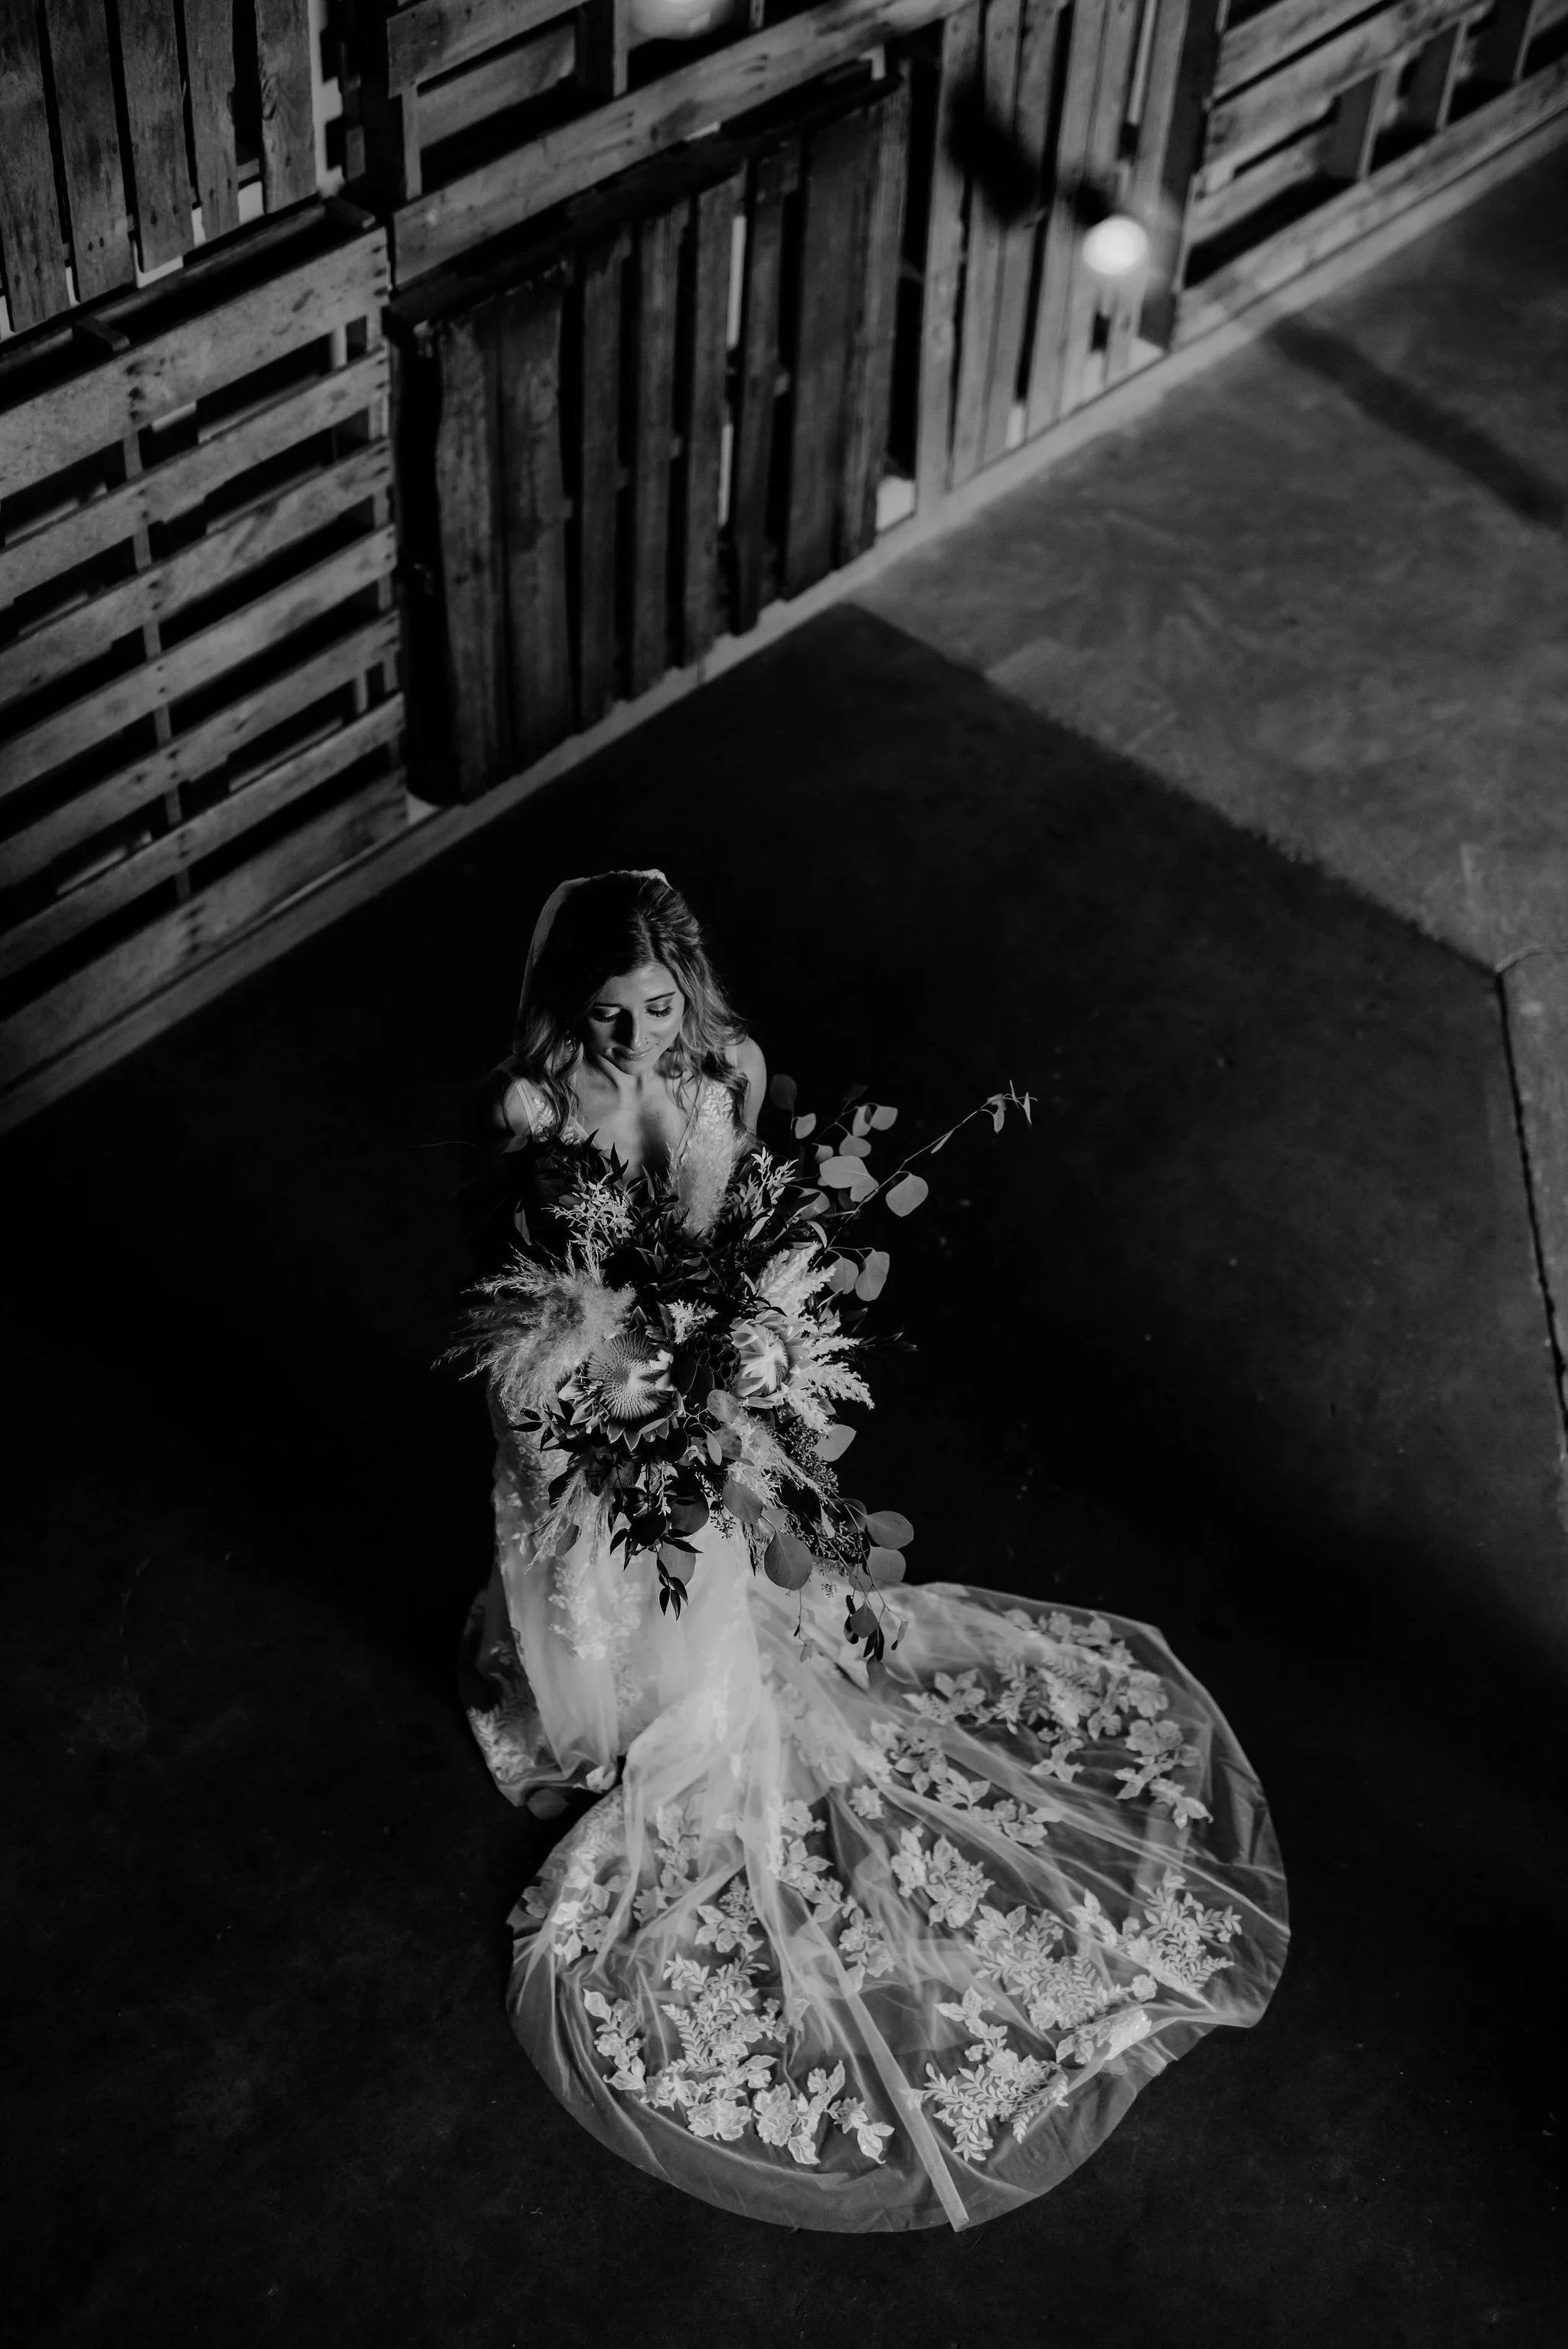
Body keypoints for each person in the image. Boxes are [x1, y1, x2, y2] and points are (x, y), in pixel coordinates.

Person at [459, 868, 1289, 2233]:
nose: (635, 1041)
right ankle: (615, 1715)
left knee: (715, 1564)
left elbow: (746, 1218)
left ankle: (686, 1687)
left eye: (655, 1006)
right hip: (586, 1378)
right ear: (569, 1006)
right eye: (607, 1014)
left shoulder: (729, 1066)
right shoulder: (546, 1105)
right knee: (595, 1567)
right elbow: (541, 1282)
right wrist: (629, 1376)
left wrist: (751, 1358)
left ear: (690, 989)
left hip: (703, 1369)